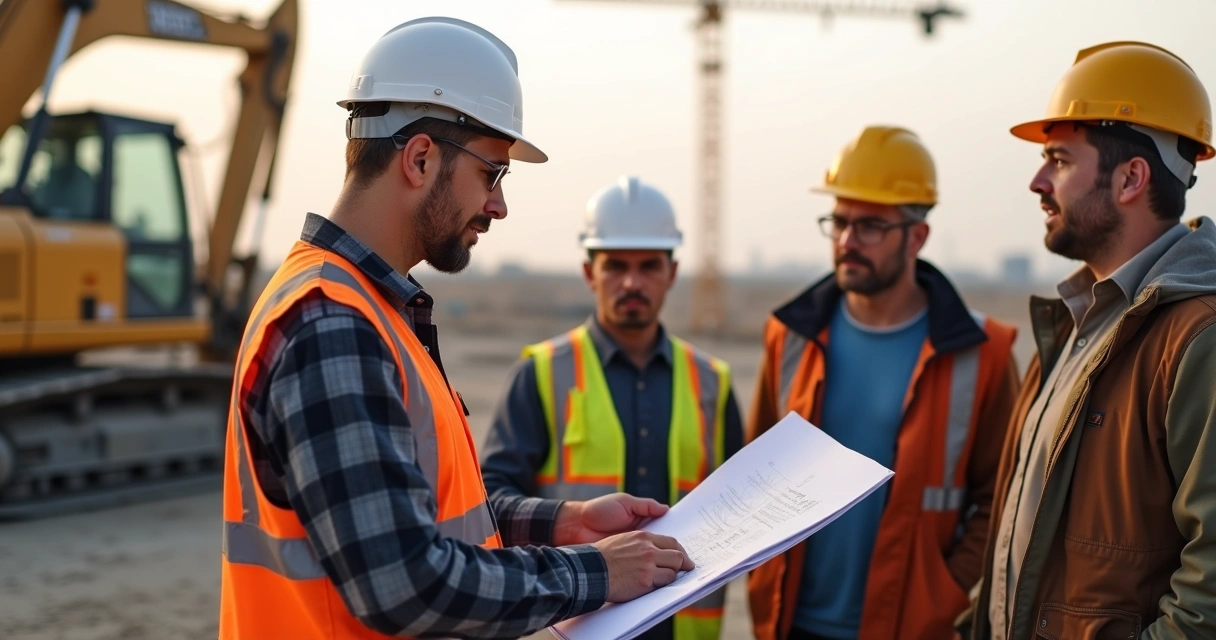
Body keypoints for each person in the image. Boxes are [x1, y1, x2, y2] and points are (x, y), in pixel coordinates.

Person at [217, 18, 693, 639]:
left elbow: (422, 512)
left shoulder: (366, 309)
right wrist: (595, 572)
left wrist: (562, 521)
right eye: (492, 173)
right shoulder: (330, 322)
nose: (498, 205)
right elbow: (403, 583)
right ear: (419, 158)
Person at [963, 41, 1216, 640]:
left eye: (1059, 159)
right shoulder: (1075, 323)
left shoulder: (1197, 335)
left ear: (1131, 177)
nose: (1036, 181)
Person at [746, 125, 1020, 640]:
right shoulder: (789, 337)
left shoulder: (984, 353)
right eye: (839, 222)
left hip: (913, 627)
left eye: (871, 225)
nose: (848, 241)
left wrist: (945, 593)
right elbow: (756, 472)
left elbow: (1003, 499)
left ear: (918, 236)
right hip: (790, 620)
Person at [479, 175, 745, 640]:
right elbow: (489, 506)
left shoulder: (713, 384)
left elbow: (748, 507)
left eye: (648, 266)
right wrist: (573, 517)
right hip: (581, 625)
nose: (631, 282)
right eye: (615, 265)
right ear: (589, 273)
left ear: (672, 272)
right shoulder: (540, 374)